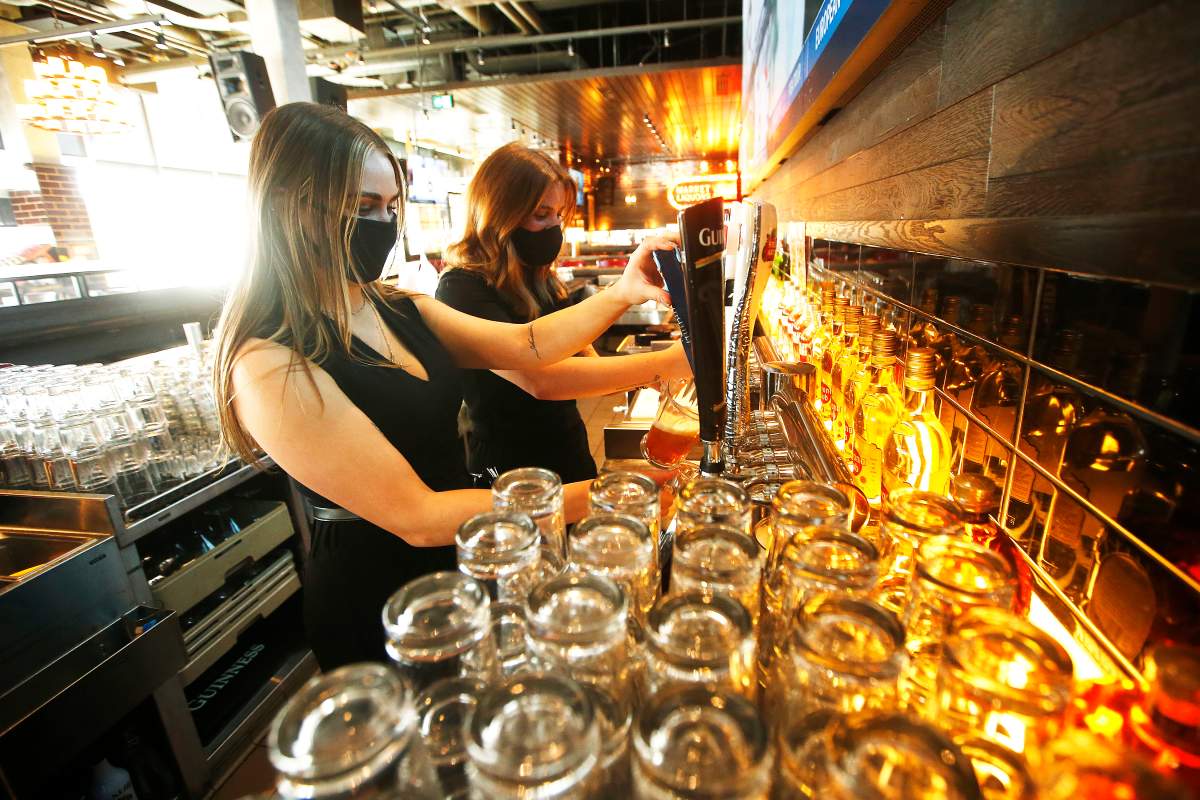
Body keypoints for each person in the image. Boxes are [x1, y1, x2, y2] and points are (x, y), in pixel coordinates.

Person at [211, 104, 677, 670]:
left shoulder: (399, 307)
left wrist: (624, 292)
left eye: (390, 207)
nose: (381, 224)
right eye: (362, 207)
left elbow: (527, 346)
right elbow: (418, 515)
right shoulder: (267, 363)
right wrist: (607, 496)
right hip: (379, 596)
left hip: (464, 554)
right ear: (290, 205)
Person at [437, 143, 691, 483]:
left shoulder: (541, 280)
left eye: (558, 215)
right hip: (510, 470)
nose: (554, 227)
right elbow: (539, 379)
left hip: (569, 451)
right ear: (498, 213)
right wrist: (668, 362)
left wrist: (653, 377)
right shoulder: (460, 289)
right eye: (541, 214)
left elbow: (586, 364)